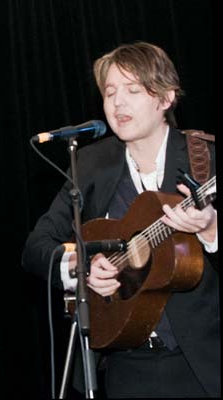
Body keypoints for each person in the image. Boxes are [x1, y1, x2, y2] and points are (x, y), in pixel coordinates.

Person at [21, 41, 218, 398]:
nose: (117, 103)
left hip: (205, 364)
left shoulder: (205, 160)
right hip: (123, 364)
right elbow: (36, 247)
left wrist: (211, 229)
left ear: (166, 98)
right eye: (110, 92)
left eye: (133, 90)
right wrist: (81, 266)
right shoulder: (91, 165)